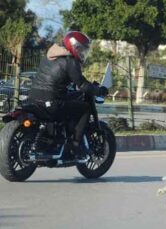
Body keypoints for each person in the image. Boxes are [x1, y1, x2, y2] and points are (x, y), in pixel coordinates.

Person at [28, 31, 108, 161]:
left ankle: (60, 138)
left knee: (69, 100)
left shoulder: (50, 55)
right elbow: (82, 85)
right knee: (85, 108)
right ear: (74, 47)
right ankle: (75, 144)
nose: (82, 53)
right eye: (81, 49)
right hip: (51, 101)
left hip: (33, 98)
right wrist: (99, 91)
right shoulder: (71, 61)